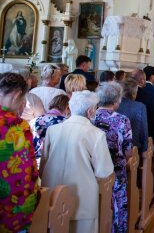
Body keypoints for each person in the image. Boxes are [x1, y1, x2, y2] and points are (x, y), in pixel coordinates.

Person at [40, 90, 114, 233]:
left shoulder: (52, 130)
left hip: (52, 196)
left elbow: (43, 167)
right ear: (90, 111)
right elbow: (104, 171)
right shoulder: (96, 134)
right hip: (82, 199)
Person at [0, 73, 39, 233]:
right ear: (16, 96)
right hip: (8, 212)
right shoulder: (17, 126)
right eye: (23, 101)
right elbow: (28, 170)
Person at [95, 82, 132, 233]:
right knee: (119, 206)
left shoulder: (91, 116)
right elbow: (128, 151)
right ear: (117, 101)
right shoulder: (122, 120)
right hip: (116, 169)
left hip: (95, 170)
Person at [32, 94, 69, 160]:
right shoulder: (65, 122)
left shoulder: (35, 120)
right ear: (67, 107)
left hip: (34, 158)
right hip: (52, 159)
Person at [118, 78, 149, 153]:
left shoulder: (114, 104)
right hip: (133, 148)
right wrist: (145, 149)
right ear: (134, 92)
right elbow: (144, 130)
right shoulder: (140, 106)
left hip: (116, 147)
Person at [131, 69, 154, 139]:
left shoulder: (124, 94)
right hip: (144, 134)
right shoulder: (149, 96)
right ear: (142, 80)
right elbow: (153, 117)